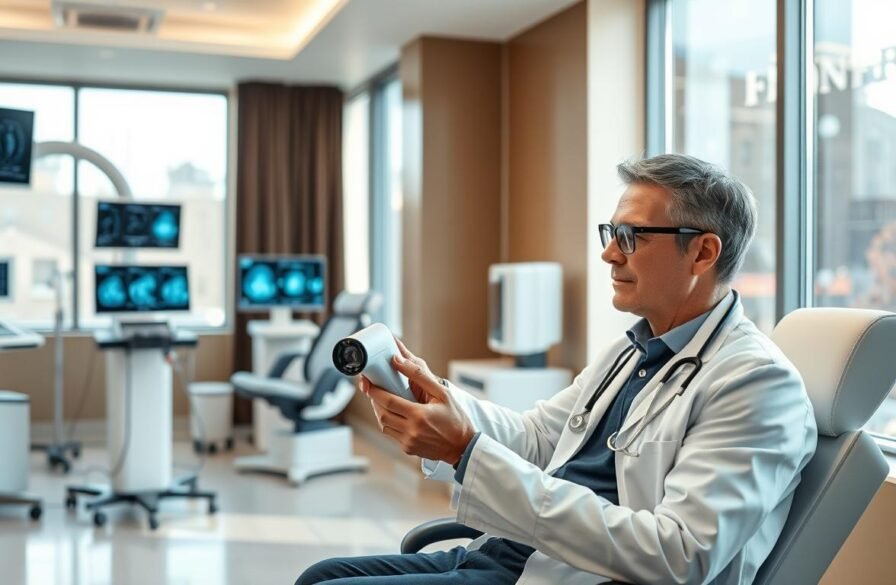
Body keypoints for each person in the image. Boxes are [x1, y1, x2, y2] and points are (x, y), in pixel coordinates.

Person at [296, 154, 817, 585]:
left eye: (632, 237)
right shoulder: (633, 349)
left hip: (563, 573)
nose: (610, 254)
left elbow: (678, 555)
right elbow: (539, 437)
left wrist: (463, 451)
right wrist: (437, 397)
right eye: (611, 233)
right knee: (320, 574)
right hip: (511, 553)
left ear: (702, 252)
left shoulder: (755, 385)